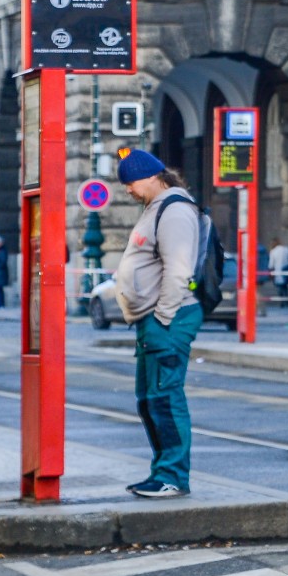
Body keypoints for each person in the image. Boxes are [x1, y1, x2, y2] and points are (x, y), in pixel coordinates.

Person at [109, 150, 204, 499]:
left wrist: (163, 316)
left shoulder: (174, 209)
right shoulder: (156, 208)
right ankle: (161, 471)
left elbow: (179, 270)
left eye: (130, 183)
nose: (128, 190)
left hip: (168, 318)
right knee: (150, 399)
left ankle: (173, 476)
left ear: (151, 177)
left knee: (165, 397)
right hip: (153, 319)